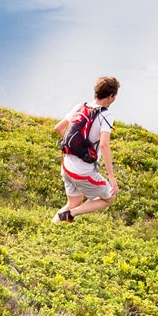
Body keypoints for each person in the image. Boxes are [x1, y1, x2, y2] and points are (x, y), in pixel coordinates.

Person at [54, 76, 120, 222]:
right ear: (111, 96)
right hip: (83, 172)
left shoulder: (80, 106)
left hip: (67, 166)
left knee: (73, 202)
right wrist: (111, 176)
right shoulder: (106, 115)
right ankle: (72, 214)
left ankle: (50, 228)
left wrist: (77, 147)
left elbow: (58, 128)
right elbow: (104, 144)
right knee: (110, 197)